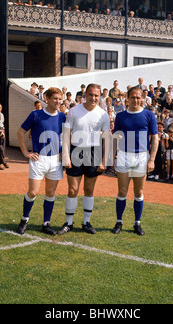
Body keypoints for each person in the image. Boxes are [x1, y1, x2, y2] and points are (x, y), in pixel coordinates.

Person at [60, 84, 111, 235]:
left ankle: (86, 222)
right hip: (76, 150)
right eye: (90, 95)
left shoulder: (103, 114)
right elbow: (66, 134)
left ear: (100, 96)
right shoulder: (74, 111)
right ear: (85, 95)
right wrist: (66, 155)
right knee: (72, 189)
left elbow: (107, 138)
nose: (93, 98)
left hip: (94, 152)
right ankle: (68, 223)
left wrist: (104, 160)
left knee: (89, 189)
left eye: (96, 95)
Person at [16, 87, 66, 235]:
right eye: (55, 98)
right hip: (39, 159)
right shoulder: (36, 114)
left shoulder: (62, 117)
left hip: (55, 160)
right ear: (47, 98)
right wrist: (25, 152)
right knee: (33, 192)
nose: (58, 101)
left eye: (59, 99)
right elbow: (20, 132)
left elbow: (67, 136)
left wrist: (64, 152)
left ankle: (46, 223)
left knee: (50, 193)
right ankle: (24, 219)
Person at [112, 87, 158, 236]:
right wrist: (113, 156)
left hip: (141, 156)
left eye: (138, 97)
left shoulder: (149, 115)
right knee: (122, 191)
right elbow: (115, 137)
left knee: (139, 191)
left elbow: (155, 138)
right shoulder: (120, 116)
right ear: (128, 98)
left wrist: (152, 159)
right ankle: (119, 221)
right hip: (124, 155)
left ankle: (137, 223)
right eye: (133, 97)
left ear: (142, 98)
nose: (136, 100)